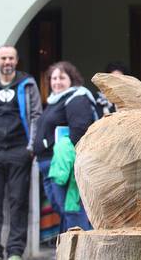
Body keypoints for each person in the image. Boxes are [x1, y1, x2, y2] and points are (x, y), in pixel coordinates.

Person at [0, 46, 41, 260]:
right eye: (3, 58)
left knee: (18, 201)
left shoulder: (28, 84)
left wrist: (30, 148)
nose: (7, 61)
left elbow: (36, 115)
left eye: (11, 58)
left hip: (19, 151)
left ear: (17, 60)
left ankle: (15, 252)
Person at [33, 61, 97, 232]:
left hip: (65, 167)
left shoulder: (76, 98)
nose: (57, 82)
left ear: (72, 79)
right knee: (63, 210)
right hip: (49, 165)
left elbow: (79, 130)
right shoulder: (55, 101)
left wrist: (73, 165)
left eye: (62, 77)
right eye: (53, 78)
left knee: (72, 211)